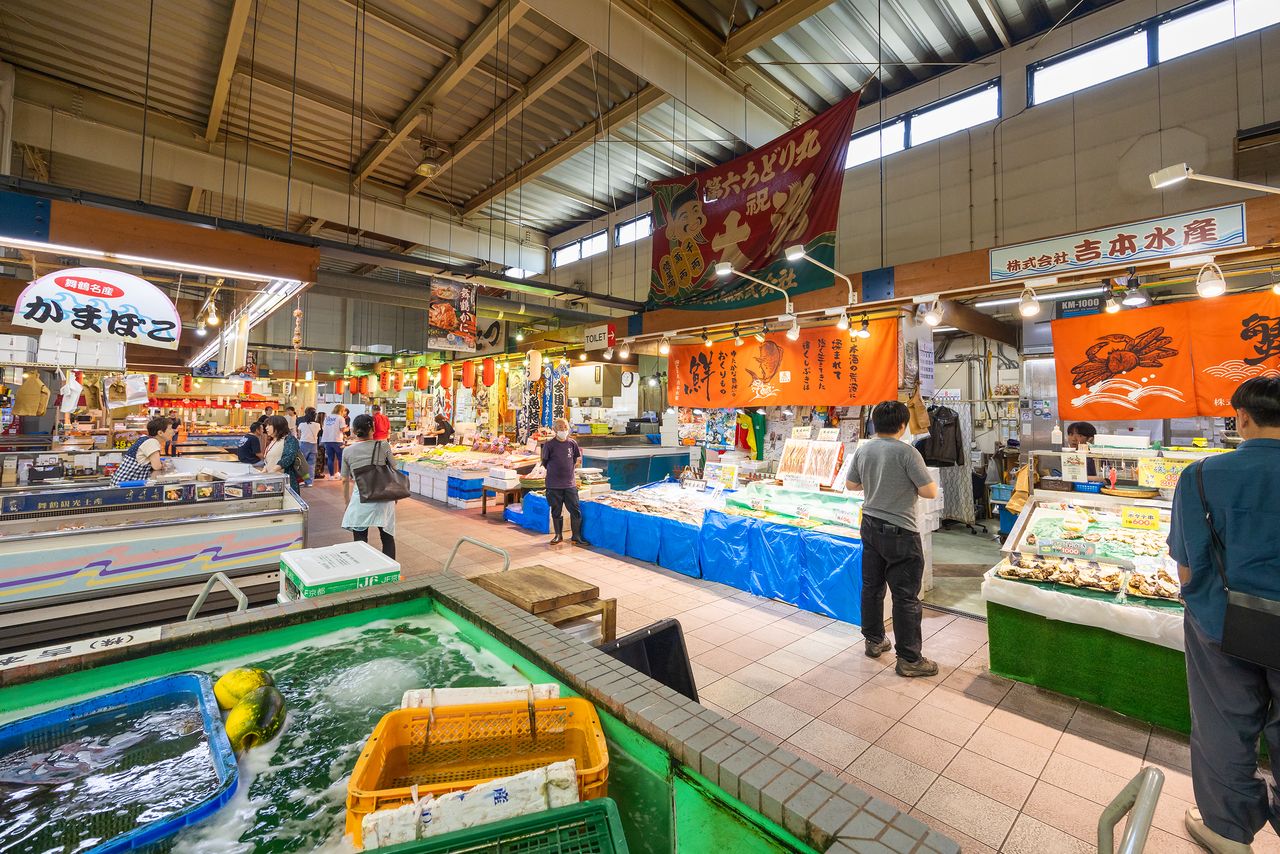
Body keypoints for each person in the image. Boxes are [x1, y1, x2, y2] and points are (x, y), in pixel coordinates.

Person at [1168, 377, 1280, 852]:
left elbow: (1186, 565)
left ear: (1243, 417)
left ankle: (1228, 830)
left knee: (1223, 726)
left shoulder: (1200, 475)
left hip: (1221, 621)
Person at [847, 400, 941, 678]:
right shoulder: (908, 452)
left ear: (875, 423)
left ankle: (874, 640)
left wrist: (876, 482)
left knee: (872, 587)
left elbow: (852, 485)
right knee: (905, 596)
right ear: (902, 425)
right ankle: (909, 659)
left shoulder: (864, 450)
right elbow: (929, 492)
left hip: (869, 526)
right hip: (900, 531)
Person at [342, 413, 397, 558]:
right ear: (373, 429)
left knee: (360, 540)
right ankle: (391, 568)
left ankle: (363, 567)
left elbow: (344, 480)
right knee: (387, 537)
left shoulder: (347, 451)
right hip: (384, 496)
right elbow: (394, 468)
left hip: (361, 497)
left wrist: (347, 502)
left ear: (354, 431)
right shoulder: (384, 445)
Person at [541, 417, 588, 546]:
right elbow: (545, 462)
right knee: (556, 511)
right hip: (553, 484)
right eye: (560, 427)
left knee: (575, 510)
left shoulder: (572, 443)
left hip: (570, 484)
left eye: (565, 427)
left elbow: (575, 460)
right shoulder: (549, 445)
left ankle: (576, 536)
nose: (563, 430)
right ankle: (558, 535)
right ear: (555, 429)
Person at [112, 416, 175, 485]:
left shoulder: (145, 438)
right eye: (170, 428)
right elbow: (156, 466)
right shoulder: (152, 442)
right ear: (160, 433)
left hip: (121, 481)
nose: (173, 431)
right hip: (126, 484)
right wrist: (162, 465)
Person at [262, 414, 302, 492]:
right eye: (266, 425)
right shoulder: (272, 441)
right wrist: (265, 470)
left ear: (278, 426)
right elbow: (269, 460)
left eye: (269, 425)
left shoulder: (289, 439)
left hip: (284, 481)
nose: (266, 428)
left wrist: (274, 470)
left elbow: (288, 457)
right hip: (272, 480)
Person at [320, 404, 347, 478]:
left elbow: (324, 428)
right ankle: (341, 475)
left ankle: (331, 475)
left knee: (330, 458)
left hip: (327, 440)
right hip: (337, 440)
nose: (345, 412)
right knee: (340, 458)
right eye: (344, 410)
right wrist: (346, 429)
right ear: (341, 410)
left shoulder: (327, 417)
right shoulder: (340, 418)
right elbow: (342, 429)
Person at [296, 407, 320, 486]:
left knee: (302, 464)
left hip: (304, 444)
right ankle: (309, 482)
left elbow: (299, 435)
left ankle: (301, 481)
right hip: (314, 445)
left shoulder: (301, 424)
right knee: (311, 465)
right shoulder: (317, 425)